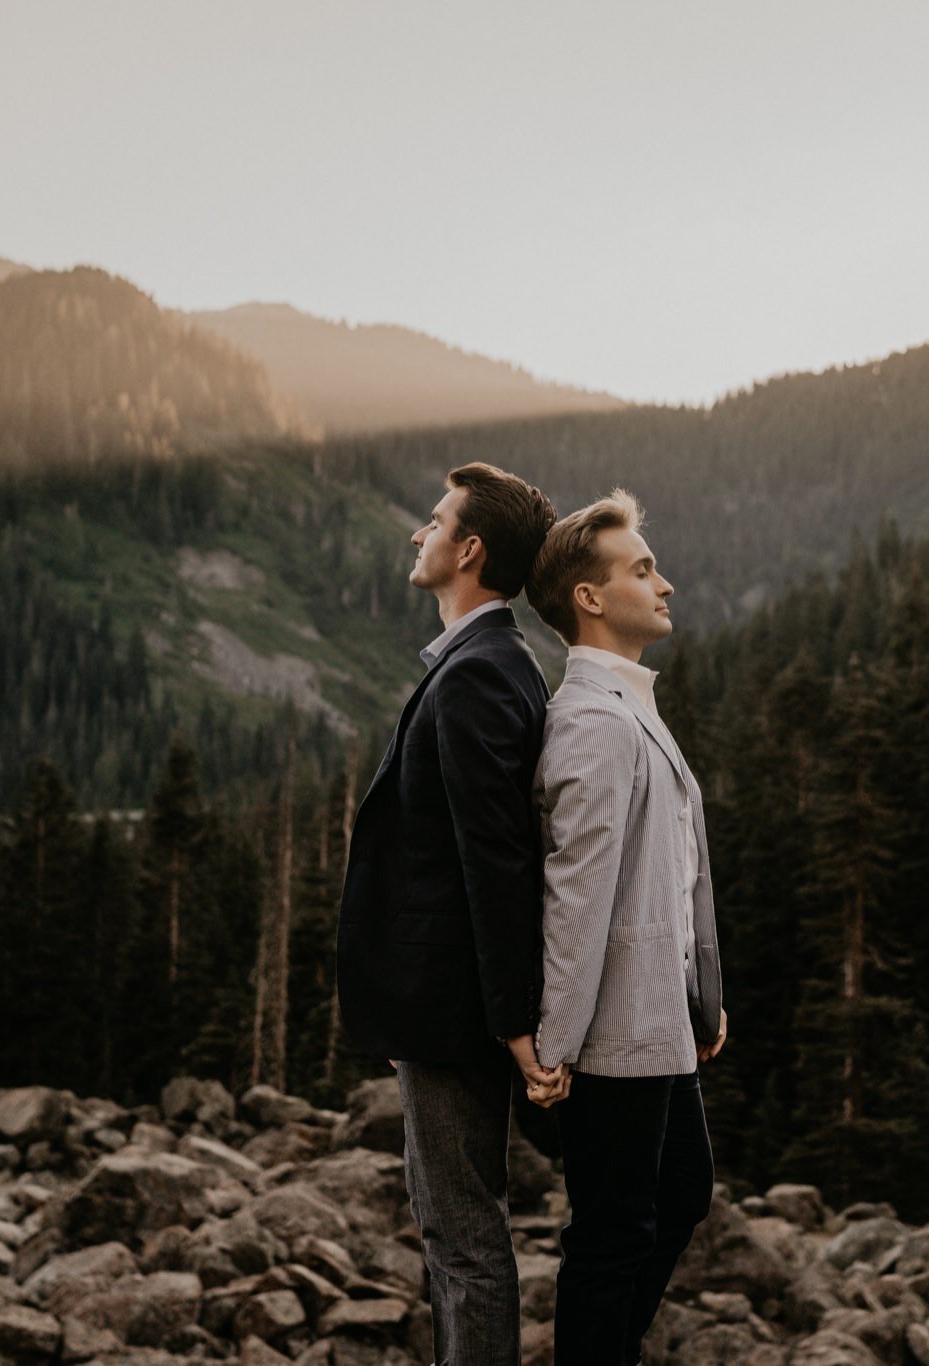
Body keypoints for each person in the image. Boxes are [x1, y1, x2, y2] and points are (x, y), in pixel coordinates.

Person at [336, 461, 565, 1366]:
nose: (418, 533)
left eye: (434, 521)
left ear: (470, 550)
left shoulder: (480, 672)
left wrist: (512, 1021)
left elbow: (497, 861)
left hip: (455, 1008)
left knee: (461, 1237)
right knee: (461, 1233)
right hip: (453, 1004)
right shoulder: (490, 662)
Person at [524, 489, 727, 1366]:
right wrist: (553, 1047)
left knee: (680, 1193)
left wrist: (700, 998)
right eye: (643, 568)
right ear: (590, 598)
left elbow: (671, 876)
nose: (666, 583)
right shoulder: (593, 724)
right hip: (607, 1036)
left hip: (657, 1020)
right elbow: (579, 893)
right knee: (612, 1235)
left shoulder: (631, 709)